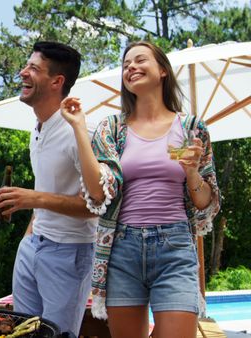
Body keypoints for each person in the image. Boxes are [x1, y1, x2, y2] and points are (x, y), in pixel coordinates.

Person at [60, 41, 221, 338]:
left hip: (175, 247)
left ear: (162, 71)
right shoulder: (113, 129)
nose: (130, 67)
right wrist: (80, 128)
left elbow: (204, 202)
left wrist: (192, 171)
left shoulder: (190, 129)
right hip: (122, 248)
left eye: (140, 60)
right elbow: (98, 192)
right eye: (125, 64)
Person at [0, 41, 97, 336]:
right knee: (23, 333)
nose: (23, 73)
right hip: (32, 247)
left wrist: (33, 198)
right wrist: (27, 240)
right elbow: (45, 190)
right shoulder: (36, 130)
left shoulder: (80, 134)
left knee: (58, 334)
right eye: (26, 66)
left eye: (33, 68)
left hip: (70, 252)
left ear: (57, 81)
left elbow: (94, 205)